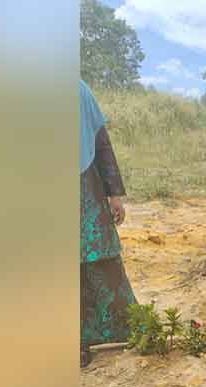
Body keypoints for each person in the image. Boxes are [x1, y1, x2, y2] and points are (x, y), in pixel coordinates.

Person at [80, 80, 136, 368]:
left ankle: (122, 332)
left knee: (101, 261)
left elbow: (101, 144)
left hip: (84, 191)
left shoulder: (78, 91)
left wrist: (114, 194)